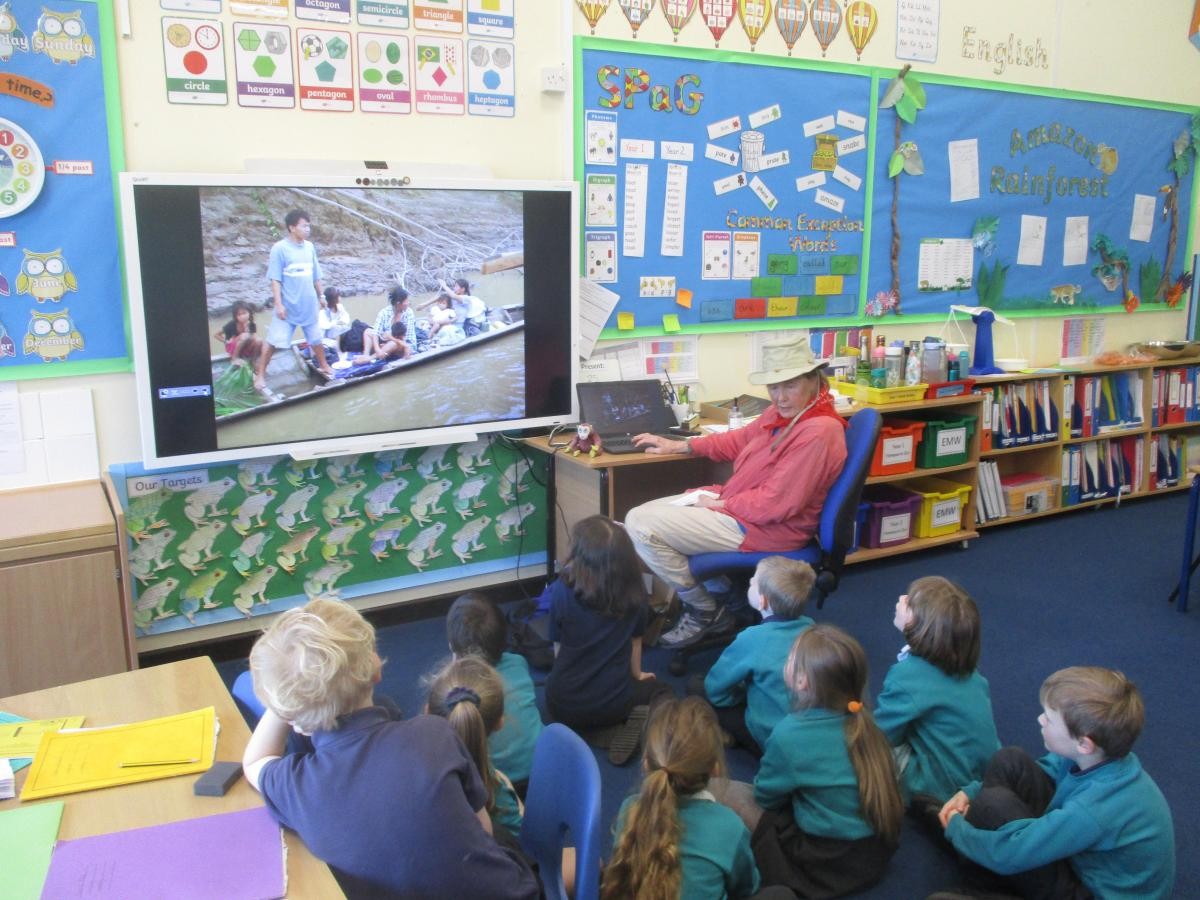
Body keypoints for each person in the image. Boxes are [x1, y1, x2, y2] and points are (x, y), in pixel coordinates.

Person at [241, 597, 539, 899]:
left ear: (293, 718)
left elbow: (255, 761)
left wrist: (288, 704)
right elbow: (483, 832)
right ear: (376, 669)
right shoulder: (434, 734)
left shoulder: (298, 786)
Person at [627, 338, 847, 649]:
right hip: (742, 509)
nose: (780, 397)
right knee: (645, 517)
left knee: (641, 524)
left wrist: (722, 504)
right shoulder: (784, 414)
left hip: (766, 528)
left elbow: (776, 504)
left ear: (814, 380)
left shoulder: (818, 432)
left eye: (790, 385)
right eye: (774, 386)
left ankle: (705, 611)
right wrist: (681, 445)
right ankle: (727, 595)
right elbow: (739, 439)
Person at [935, 667, 1175, 900]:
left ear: (1084, 743)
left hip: (1091, 890)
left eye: (1049, 718)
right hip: (1084, 855)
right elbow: (1045, 770)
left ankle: (982, 871)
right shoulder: (1097, 757)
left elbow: (1011, 852)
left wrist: (957, 829)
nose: (1040, 719)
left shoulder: (1093, 809)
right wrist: (971, 792)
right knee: (1010, 760)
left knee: (993, 804)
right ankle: (980, 857)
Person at [720, 624, 902, 898]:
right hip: (874, 856)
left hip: (822, 861)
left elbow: (766, 796)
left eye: (791, 658)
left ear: (802, 681)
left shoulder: (790, 734)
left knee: (726, 791)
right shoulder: (869, 725)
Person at [602, 696, 762, 900]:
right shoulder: (730, 828)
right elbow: (747, 888)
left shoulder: (630, 810)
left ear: (645, 764)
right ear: (715, 769)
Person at [544, 514, 673, 765]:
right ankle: (620, 728)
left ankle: (588, 732)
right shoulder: (635, 596)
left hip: (559, 702)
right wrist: (638, 676)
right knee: (662, 690)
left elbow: (558, 649)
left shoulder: (561, 590)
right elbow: (636, 643)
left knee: (572, 700)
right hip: (612, 703)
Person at [874, 576, 1000, 807]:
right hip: (980, 779)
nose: (901, 599)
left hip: (938, 787)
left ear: (919, 626)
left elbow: (881, 736)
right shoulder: (971, 672)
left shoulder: (907, 676)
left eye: (909, 602)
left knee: (862, 748)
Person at [698, 556, 816, 758]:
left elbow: (715, 689)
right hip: (809, 734)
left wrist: (740, 696)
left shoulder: (751, 638)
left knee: (697, 686)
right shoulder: (813, 629)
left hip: (771, 740)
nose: (750, 583)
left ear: (762, 600)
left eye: (752, 581)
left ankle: (735, 736)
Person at [446, 591, 544, 792]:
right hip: (540, 768)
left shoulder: (454, 691)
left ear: (452, 648)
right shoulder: (519, 663)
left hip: (494, 783)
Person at [425, 655, 525, 838]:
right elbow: (526, 849)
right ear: (499, 722)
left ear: (427, 712)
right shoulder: (499, 798)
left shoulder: (412, 778)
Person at [257, 208, 332, 389]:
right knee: (274, 341)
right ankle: (260, 375)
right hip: (288, 307)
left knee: (315, 339)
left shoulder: (310, 247)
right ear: (292, 227)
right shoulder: (279, 249)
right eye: (303, 226)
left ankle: (323, 365)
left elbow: (316, 275)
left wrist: (321, 296)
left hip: (308, 305)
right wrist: (279, 304)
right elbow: (275, 279)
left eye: (308, 226)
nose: (308, 229)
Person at [317, 286, 352, 352]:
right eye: (338, 296)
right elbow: (325, 326)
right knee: (336, 328)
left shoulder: (340, 307)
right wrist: (336, 323)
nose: (340, 297)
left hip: (341, 331)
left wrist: (337, 323)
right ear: (334, 299)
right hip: (328, 336)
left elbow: (346, 320)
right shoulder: (323, 312)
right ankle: (339, 351)